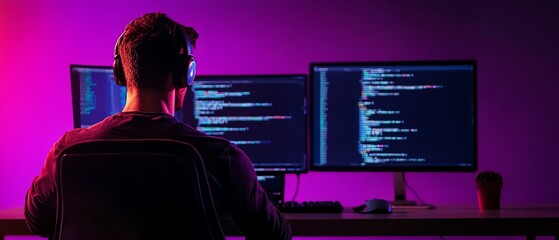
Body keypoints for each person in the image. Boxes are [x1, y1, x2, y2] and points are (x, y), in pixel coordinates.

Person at [24, 12, 292, 239]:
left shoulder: (69, 150)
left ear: (121, 72)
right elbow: (275, 234)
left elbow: (37, 219)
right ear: (184, 74)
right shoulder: (221, 156)